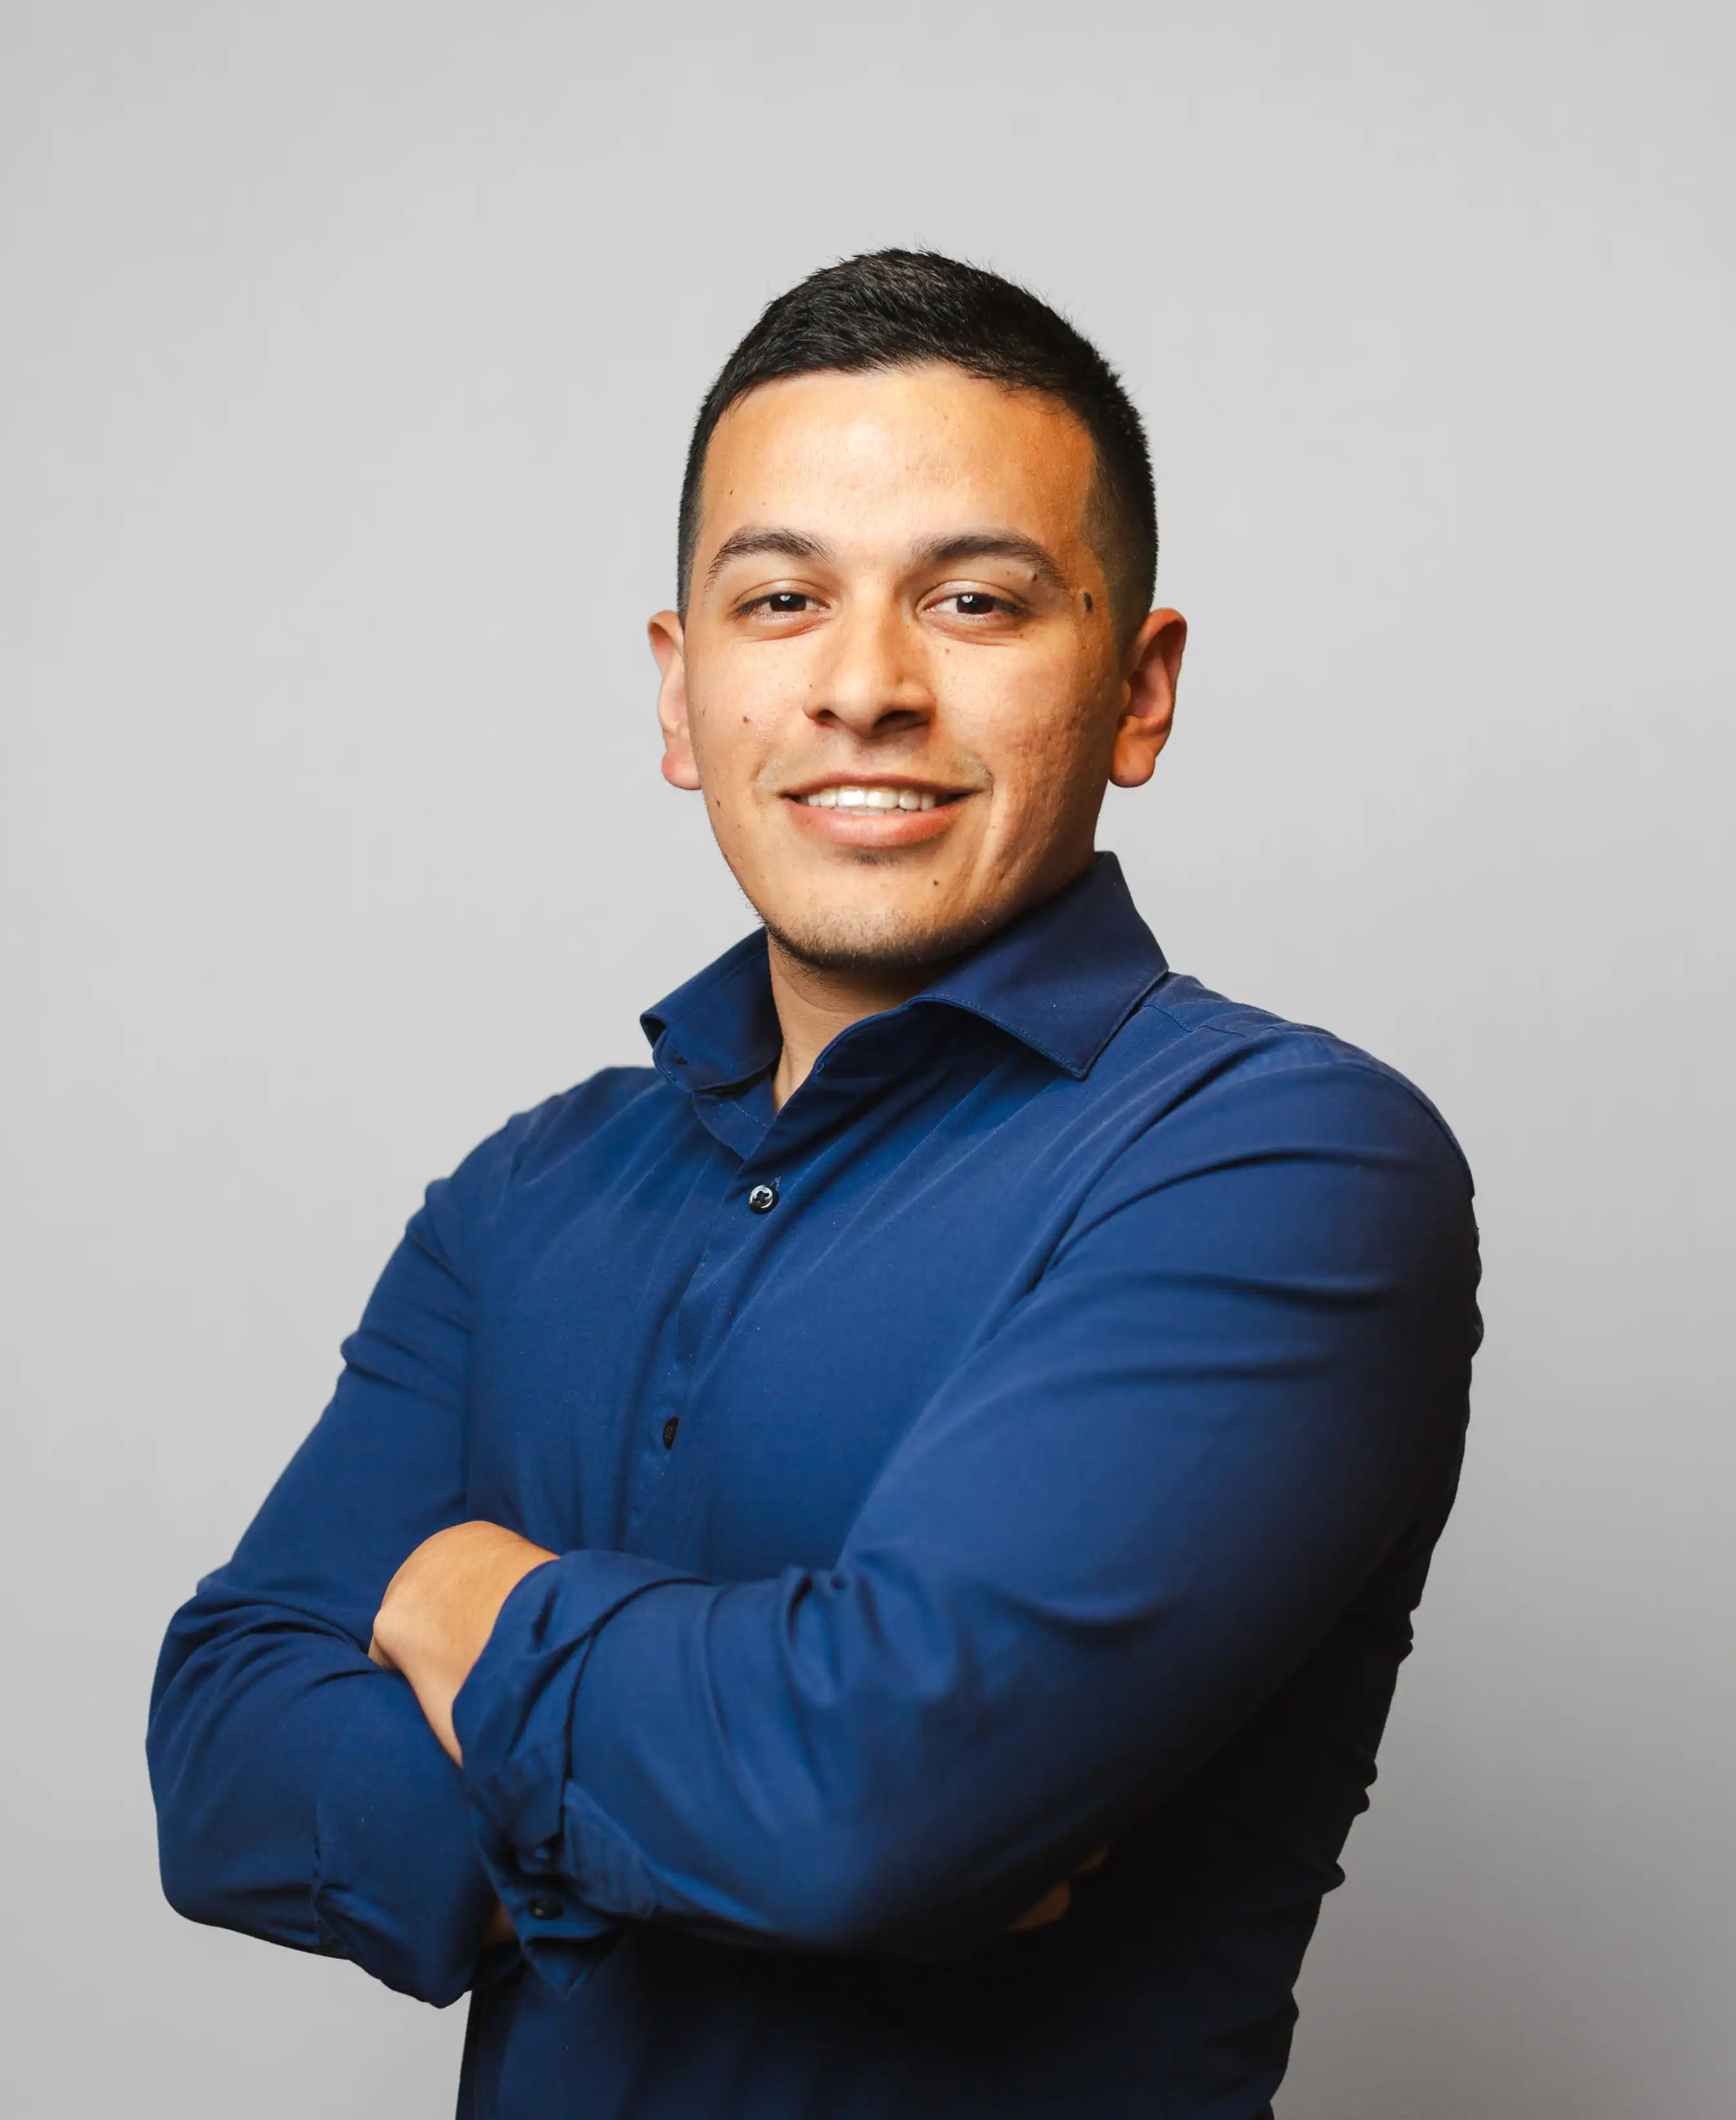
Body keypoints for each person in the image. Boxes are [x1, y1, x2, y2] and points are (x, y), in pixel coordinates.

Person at [149, 248, 1480, 2120]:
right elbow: (221, 1758)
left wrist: (462, 1603)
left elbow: (874, 1806)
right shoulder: (523, 1195)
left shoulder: (1280, 1164)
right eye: (782, 600)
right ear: (682, 691)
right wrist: (732, 1819)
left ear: (1138, 690)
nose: (866, 688)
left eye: (975, 601)